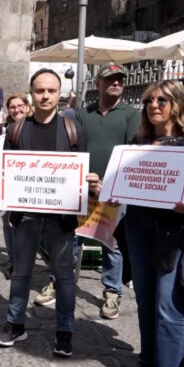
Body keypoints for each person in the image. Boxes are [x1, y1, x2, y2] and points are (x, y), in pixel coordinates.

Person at [123, 80, 184, 367]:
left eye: (161, 101)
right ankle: (148, 361)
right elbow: (127, 181)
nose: (153, 105)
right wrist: (114, 190)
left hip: (174, 232)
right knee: (143, 297)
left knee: (168, 303)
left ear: (176, 106)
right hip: (138, 228)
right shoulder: (137, 143)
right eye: (149, 101)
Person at [0, 69, 90, 357]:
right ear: (31, 92)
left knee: (64, 276)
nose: (45, 96)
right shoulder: (17, 129)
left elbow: (81, 173)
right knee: (20, 273)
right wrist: (0, 182)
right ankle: (15, 324)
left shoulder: (74, 130)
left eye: (51, 91)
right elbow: (7, 168)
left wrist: (89, 181)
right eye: (39, 90)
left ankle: (64, 331)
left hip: (61, 218)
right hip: (25, 215)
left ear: (60, 94)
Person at [34, 63, 139, 321]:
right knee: (70, 240)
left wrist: (110, 183)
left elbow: (132, 152)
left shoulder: (131, 114)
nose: (116, 83)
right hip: (80, 189)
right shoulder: (82, 113)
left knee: (111, 244)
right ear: (98, 84)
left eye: (119, 80)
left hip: (112, 191)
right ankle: (58, 282)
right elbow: (72, 148)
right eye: (110, 79)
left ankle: (112, 292)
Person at [0, 94, 32, 278]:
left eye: (20, 105)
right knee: (8, 221)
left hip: (33, 183)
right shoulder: (8, 129)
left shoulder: (35, 126)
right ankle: (13, 262)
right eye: (12, 107)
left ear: (27, 107)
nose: (17, 109)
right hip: (13, 183)